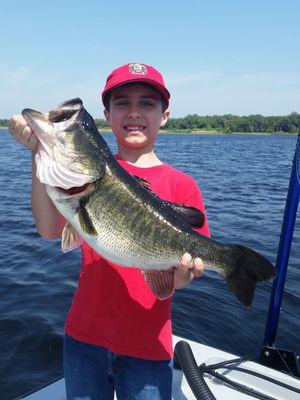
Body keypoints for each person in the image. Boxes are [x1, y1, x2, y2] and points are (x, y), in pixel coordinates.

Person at [9, 63, 210, 400]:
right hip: (83, 342)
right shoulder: (77, 183)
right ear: (107, 114)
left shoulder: (183, 186)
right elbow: (48, 231)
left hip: (149, 348)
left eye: (146, 103)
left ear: (164, 114)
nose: (134, 112)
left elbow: (180, 279)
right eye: (122, 103)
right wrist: (38, 152)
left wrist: (183, 275)